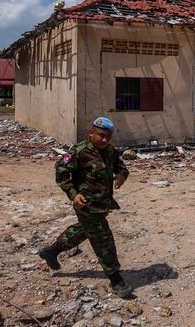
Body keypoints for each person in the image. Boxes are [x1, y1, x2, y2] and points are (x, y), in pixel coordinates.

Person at [38, 117, 133, 297]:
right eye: (101, 135)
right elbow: (61, 172)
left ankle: (51, 251)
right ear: (91, 133)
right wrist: (73, 195)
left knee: (85, 230)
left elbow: (121, 166)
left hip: (102, 204)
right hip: (85, 204)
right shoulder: (78, 152)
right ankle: (115, 278)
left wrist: (121, 175)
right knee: (103, 238)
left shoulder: (110, 151)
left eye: (108, 137)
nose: (104, 140)